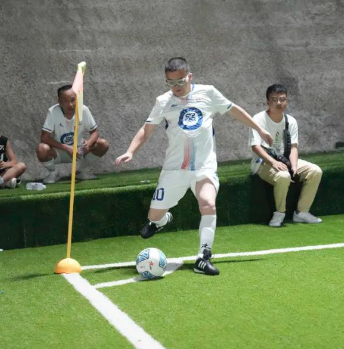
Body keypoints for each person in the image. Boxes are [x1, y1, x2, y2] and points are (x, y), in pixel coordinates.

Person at [115, 57, 274, 276]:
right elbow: (146, 130)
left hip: (203, 168)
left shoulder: (208, 93)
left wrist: (260, 130)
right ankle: (160, 221)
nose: (176, 87)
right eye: (171, 83)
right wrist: (130, 151)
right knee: (154, 215)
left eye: (180, 81)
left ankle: (203, 257)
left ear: (190, 76)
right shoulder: (163, 101)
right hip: (174, 170)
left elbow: (234, 110)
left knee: (208, 203)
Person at [249, 84, 323, 227]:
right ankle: (280, 213)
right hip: (263, 162)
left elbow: (293, 147)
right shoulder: (258, 119)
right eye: (274, 99)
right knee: (283, 176)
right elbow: (256, 146)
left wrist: (294, 165)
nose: (279, 103)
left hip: (285, 159)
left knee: (315, 171)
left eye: (282, 99)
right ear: (267, 102)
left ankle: (302, 212)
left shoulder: (291, 121)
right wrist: (273, 163)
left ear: (286, 101)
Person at [37, 84, 109, 183]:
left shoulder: (83, 110)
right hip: (59, 151)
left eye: (73, 100)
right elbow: (44, 137)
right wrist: (66, 147)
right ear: (59, 101)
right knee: (42, 148)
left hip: (79, 150)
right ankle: (54, 172)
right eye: (65, 101)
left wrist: (88, 143)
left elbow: (95, 132)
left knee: (103, 144)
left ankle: (79, 171)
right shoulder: (53, 111)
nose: (70, 104)